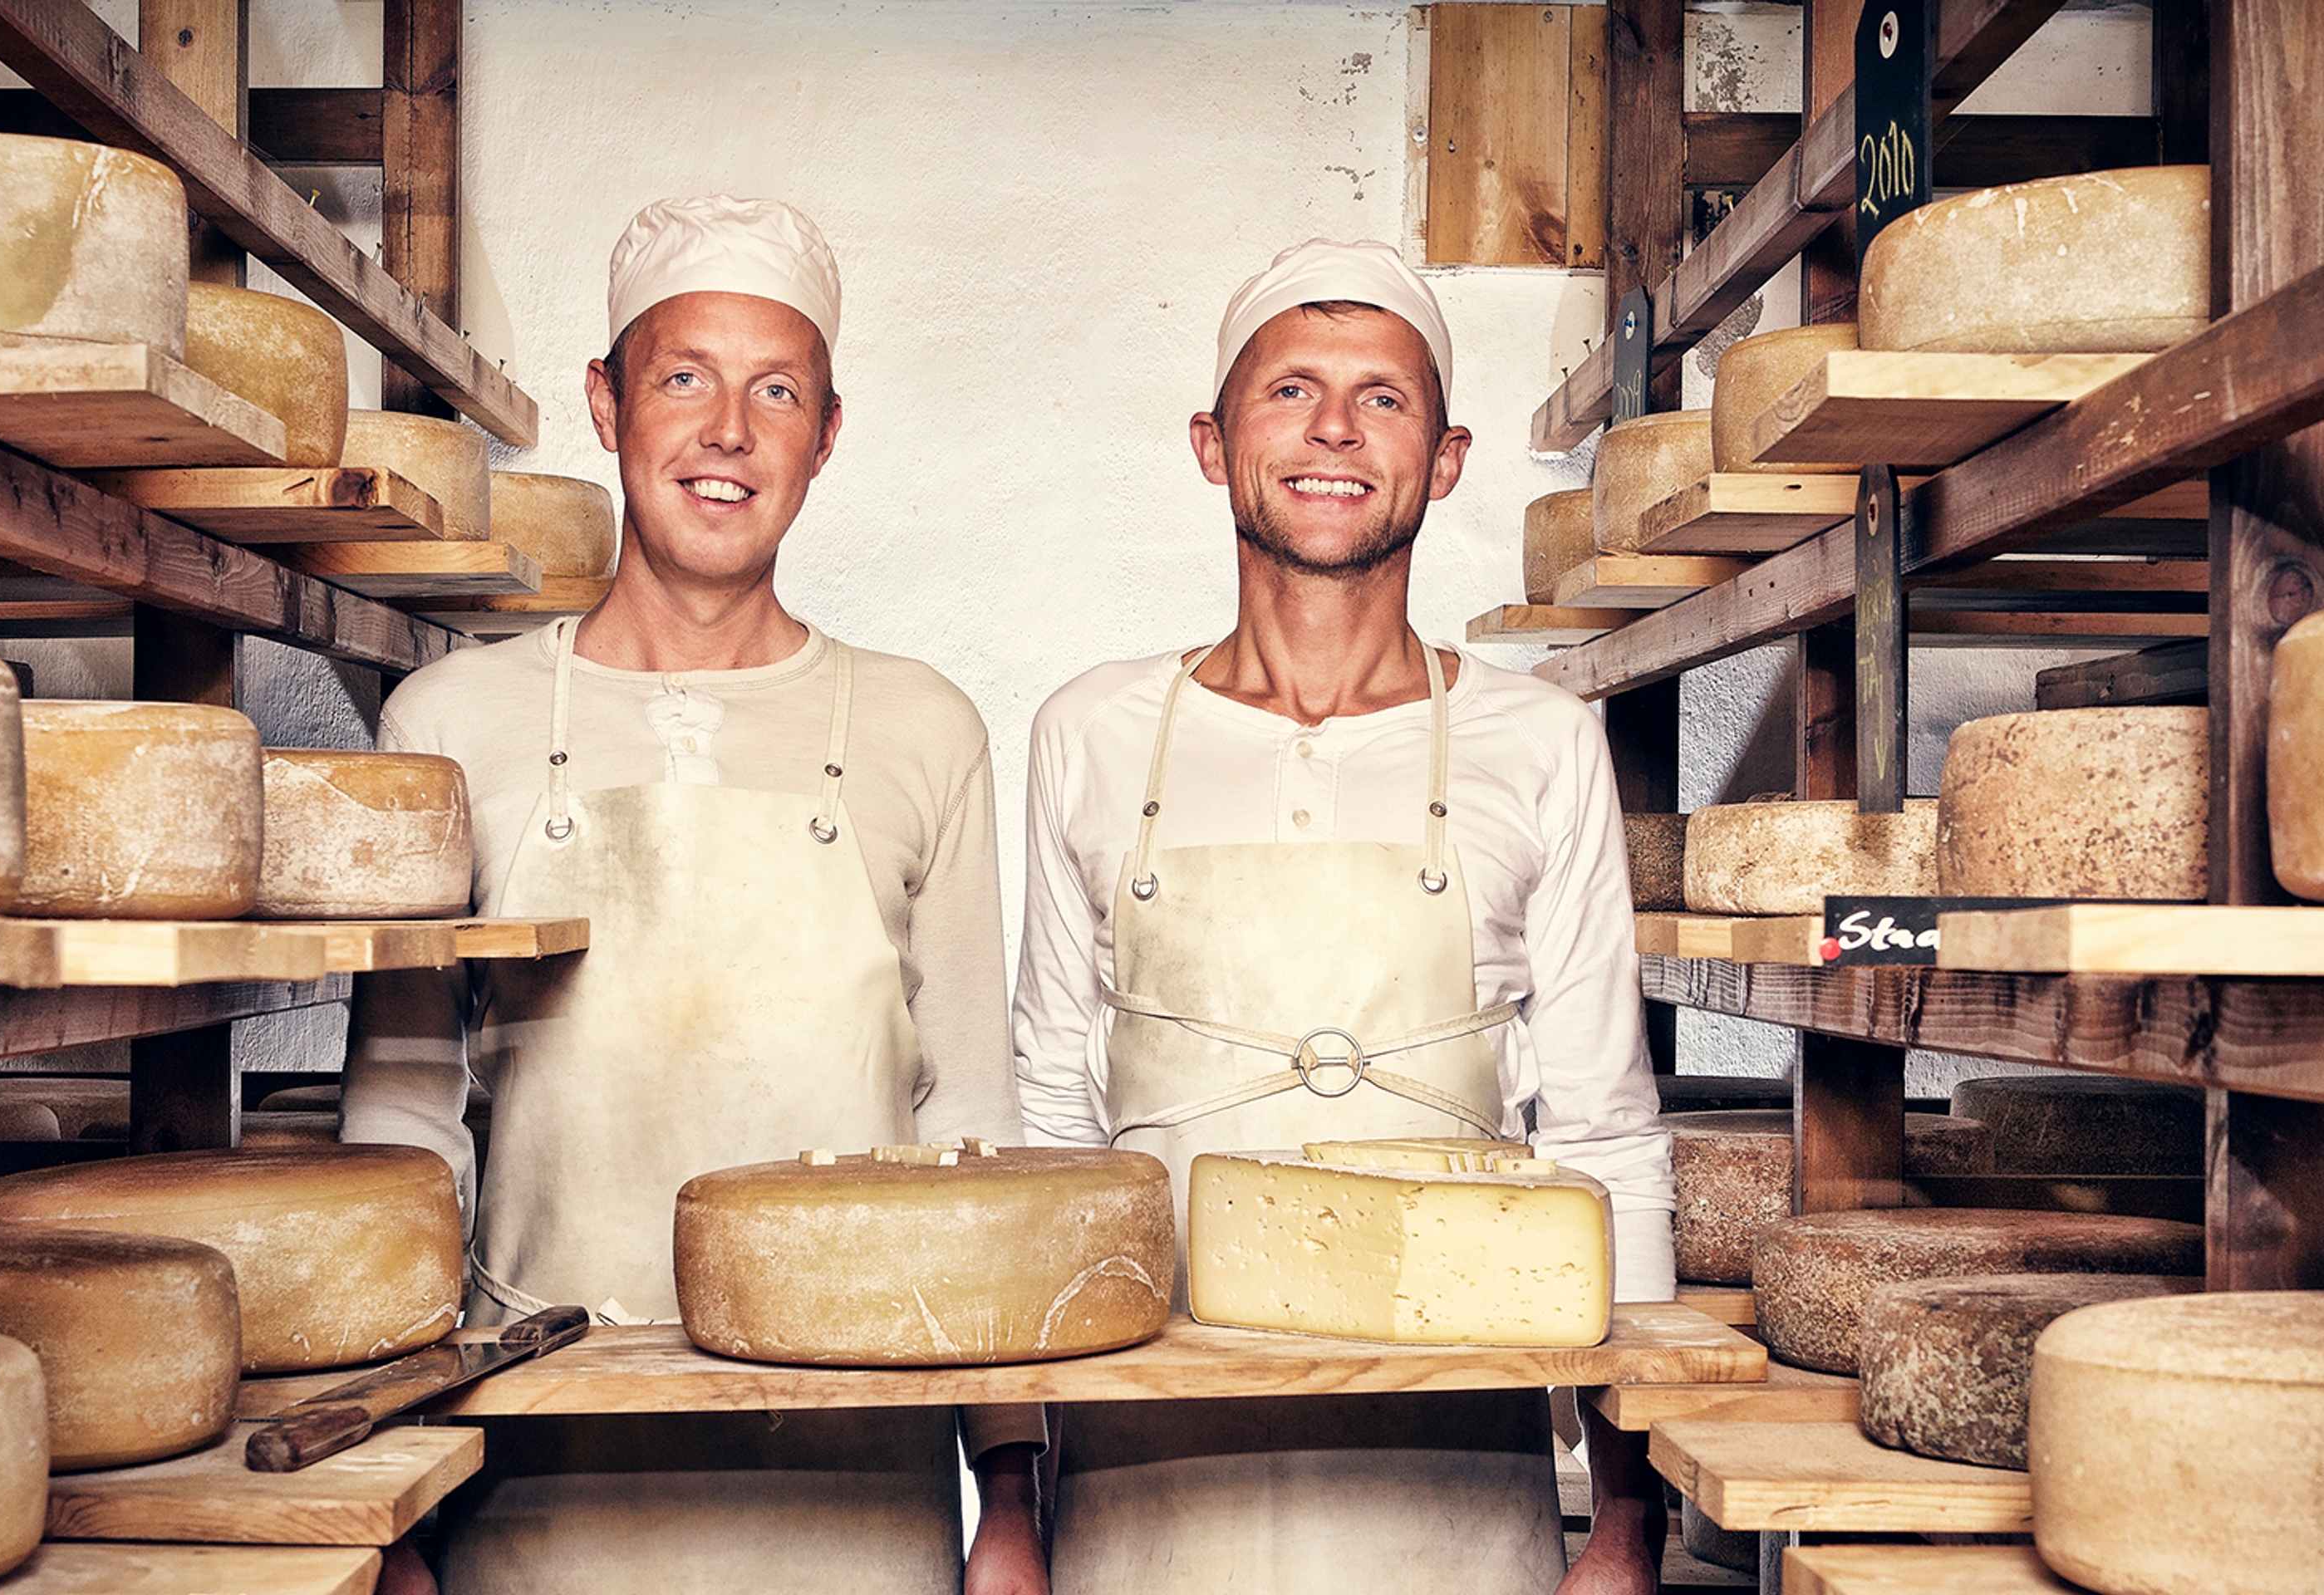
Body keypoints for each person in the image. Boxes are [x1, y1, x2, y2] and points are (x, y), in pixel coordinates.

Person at [343, 195, 1048, 1595]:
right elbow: (407, 1128)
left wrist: (1012, 1501)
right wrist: (391, 1506)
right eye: (684, 378)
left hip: (855, 1465)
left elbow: (971, 1124)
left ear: (824, 437)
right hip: (537, 1463)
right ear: (606, 406)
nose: (728, 431)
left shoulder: (921, 726)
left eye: (774, 390)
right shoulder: (451, 720)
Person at [1010, 238, 1676, 1594]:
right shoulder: (1090, 733)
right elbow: (1047, 1133)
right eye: (1291, 391)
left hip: (1449, 1465)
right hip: (1146, 1477)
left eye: (1383, 399)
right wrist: (1012, 1510)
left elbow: (1604, 1133)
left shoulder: (1538, 742)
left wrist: (1626, 1519)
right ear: (1213, 443)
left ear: (1445, 459)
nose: (1333, 430)